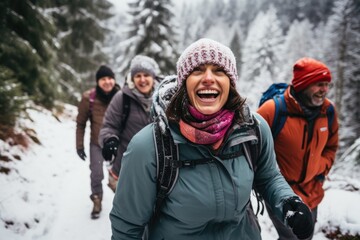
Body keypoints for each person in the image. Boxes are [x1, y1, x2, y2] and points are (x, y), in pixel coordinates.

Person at [109, 38, 314, 240]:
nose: (208, 78)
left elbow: (268, 176)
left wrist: (287, 202)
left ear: (231, 83)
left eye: (219, 71)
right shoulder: (149, 146)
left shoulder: (254, 130)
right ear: (183, 83)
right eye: (197, 70)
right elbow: (127, 225)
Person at [257, 57, 339, 239]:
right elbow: (253, 149)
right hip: (281, 194)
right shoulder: (272, 110)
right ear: (302, 85)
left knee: (305, 236)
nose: (324, 90)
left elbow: (331, 146)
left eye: (327, 85)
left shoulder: (329, 111)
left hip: (312, 191)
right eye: (319, 84)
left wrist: (320, 170)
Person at [99, 55, 160, 192]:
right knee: (129, 209)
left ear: (153, 77)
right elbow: (109, 126)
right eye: (138, 75)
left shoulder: (164, 97)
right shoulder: (122, 98)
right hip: (126, 166)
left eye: (146, 75)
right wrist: (109, 140)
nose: (142, 79)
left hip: (158, 168)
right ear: (132, 78)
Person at [76, 65, 120, 219]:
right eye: (103, 79)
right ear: (98, 81)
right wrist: (79, 146)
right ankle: (97, 199)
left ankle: (122, 199)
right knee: (96, 173)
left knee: (120, 174)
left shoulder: (121, 96)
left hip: (117, 143)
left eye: (110, 78)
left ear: (114, 80)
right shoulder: (89, 98)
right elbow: (81, 124)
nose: (107, 82)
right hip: (96, 143)